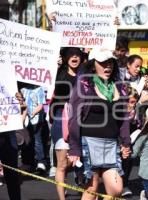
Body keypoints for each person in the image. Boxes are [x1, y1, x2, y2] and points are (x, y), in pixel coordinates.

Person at [68, 48, 130, 200]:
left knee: (116, 190)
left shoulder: (120, 87)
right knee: (92, 189)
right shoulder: (84, 85)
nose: (107, 66)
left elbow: (124, 117)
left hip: (111, 144)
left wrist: (126, 142)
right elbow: (73, 119)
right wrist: (74, 149)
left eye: (110, 63)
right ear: (93, 65)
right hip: (88, 143)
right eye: (102, 63)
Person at [49, 47, 84, 200]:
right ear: (64, 57)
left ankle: (85, 189)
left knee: (82, 159)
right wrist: (54, 67)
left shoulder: (86, 74)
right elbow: (48, 80)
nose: (75, 57)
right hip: (60, 119)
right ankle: (62, 198)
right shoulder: (57, 73)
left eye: (78, 54)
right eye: (71, 54)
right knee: (62, 163)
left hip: (83, 120)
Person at [20, 83, 46, 173]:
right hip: (25, 119)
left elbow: (40, 105)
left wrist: (33, 113)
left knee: (37, 141)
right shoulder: (22, 88)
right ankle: (27, 163)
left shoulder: (39, 89)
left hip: (36, 120)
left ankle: (41, 161)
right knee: (27, 141)